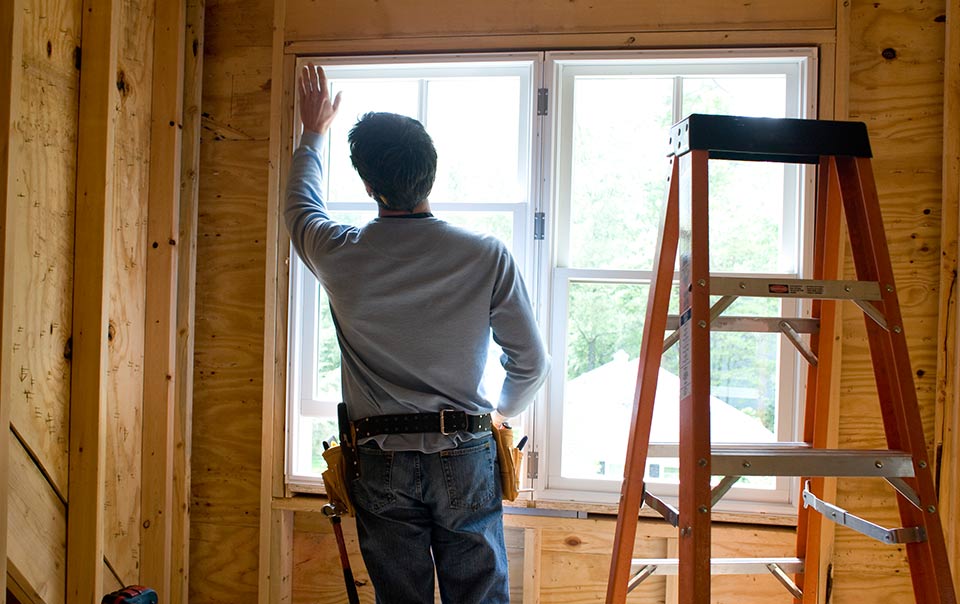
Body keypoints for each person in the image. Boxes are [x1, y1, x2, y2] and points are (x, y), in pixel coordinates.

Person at [285, 63, 549, 604]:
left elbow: (299, 207)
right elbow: (531, 363)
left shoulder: (341, 253)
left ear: (368, 186)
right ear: (431, 173)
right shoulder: (485, 255)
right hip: (465, 449)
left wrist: (314, 133)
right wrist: (500, 412)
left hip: (380, 457)